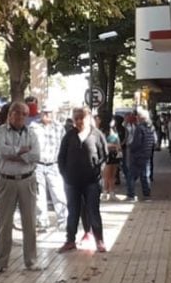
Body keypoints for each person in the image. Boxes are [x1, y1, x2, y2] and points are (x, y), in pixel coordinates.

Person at [0, 101, 41, 271]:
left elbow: (36, 155)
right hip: (6, 180)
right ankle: (0, 261)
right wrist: (22, 151)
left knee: (30, 222)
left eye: (24, 114)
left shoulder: (32, 133)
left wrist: (13, 153)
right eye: (17, 112)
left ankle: (31, 260)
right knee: (4, 223)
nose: (20, 116)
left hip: (28, 180)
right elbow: (0, 152)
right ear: (10, 114)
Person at [57, 107, 107, 253]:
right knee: (73, 211)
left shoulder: (97, 135)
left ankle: (99, 240)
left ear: (87, 118)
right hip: (72, 182)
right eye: (76, 118)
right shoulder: (69, 136)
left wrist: (99, 170)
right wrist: (65, 174)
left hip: (91, 181)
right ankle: (70, 240)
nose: (79, 121)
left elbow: (104, 155)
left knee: (93, 211)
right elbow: (61, 157)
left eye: (81, 118)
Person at [35, 105, 67, 230]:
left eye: (49, 112)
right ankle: (42, 221)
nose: (47, 115)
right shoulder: (33, 127)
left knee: (58, 193)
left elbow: (64, 147)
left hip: (54, 164)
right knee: (39, 196)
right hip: (37, 165)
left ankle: (63, 220)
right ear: (41, 113)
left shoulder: (60, 128)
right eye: (44, 112)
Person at [126, 107, 156, 201]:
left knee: (131, 175)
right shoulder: (151, 128)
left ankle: (131, 195)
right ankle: (147, 195)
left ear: (141, 118)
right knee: (145, 175)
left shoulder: (140, 128)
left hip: (137, 155)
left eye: (138, 116)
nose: (136, 117)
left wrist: (131, 147)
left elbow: (137, 142)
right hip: (146, 155)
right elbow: (154, 140)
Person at [102, 121, 121, 200]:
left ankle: (111, 192)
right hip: (108, 155)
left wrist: (117, 148)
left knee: (113, 175)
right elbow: (103, 144)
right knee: (107, 175)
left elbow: (119, 144)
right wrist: (114, 145)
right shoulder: (103, 133)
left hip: (115, 155)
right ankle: (105, 192)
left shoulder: (115, 133)